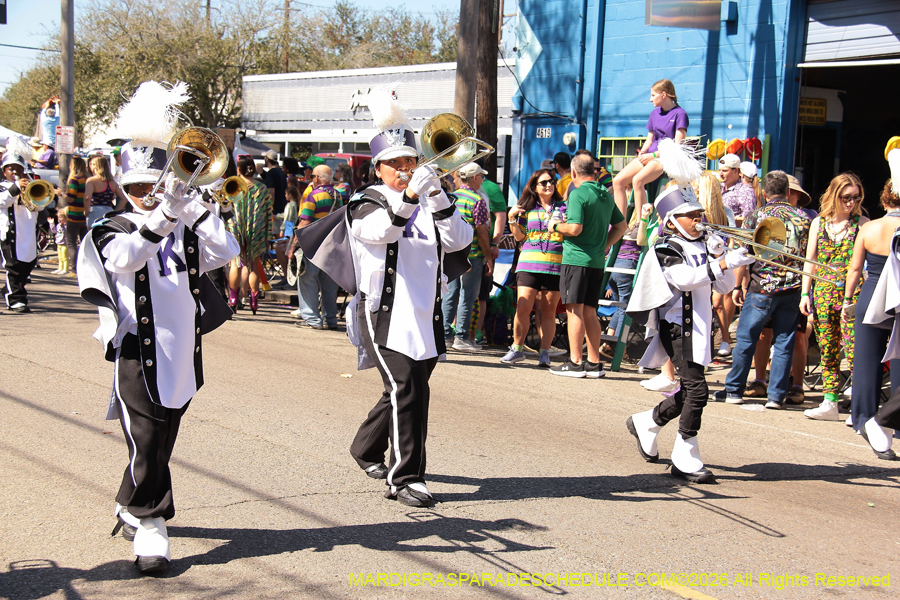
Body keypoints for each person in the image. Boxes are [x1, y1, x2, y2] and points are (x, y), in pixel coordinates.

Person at [75, 80, 239, 574]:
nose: (148, 194)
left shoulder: (181, 218)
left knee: (162, 439)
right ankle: (151, 523)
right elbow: (126, 259)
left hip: (182, 352)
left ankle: (130, 499)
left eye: (155, 184)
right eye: (138, 188)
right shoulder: (110, 230)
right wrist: (165, 214)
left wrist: (192, 207)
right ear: (125, 190)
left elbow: (226, 252)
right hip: (135, 353)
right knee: (145, 439)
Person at [347, 91, 473, 507]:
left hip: (426, 312)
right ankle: (405, 479)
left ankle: (365, 448)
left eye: (410, 162)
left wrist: (437, 198)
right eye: (396, 164)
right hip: (385, 311)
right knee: (407, 390)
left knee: (405, 390)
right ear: (378, 168)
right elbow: (381, 231)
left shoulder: (431, 198)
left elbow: (460, 240)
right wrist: (412, 197)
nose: (405, 170)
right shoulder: (363, 201)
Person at [626, 182, 752, 483]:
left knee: (690, 390)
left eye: (699, 213)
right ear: (671, 220)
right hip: (677, 326)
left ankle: (648, 422)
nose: (699, 220)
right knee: (697, 390)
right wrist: (722, 262)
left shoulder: (703, 244)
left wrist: (725, 258)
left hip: (700, 325)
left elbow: (720, 287)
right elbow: (684, 279)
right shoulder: (665, 247)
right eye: (690, 215)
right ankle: (685, 456)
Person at [714, 171, 811, 408]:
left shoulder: (756, 216)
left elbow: (744, 256)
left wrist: (737, 285)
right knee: (784, 342)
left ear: (764, 193)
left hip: (761, 288)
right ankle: (776, 396)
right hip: (792, 289)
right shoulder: (803, 218)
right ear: (788, 192)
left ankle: (734, 389)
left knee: (747, 339)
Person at [548, 154, 626, 377]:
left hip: (577, 259)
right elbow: (621, 226)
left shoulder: (577, 193)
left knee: (574, 311)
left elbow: (574, 229)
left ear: (573, 173)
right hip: (595, 262)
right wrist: (604, 246)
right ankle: (593, 363)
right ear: (593, 171)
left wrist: (555, 226)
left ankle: (575, 362)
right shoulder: (604, 193)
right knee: (590, 311)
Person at [800, 173, 868, 421]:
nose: (851, 202)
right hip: (823, 294)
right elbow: (811, 261)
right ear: (834, 195)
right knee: (827, 349)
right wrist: (805, 292)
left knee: (854, 350)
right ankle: (830, 402)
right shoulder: (819, 223)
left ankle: (860, 403)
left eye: (856, 197)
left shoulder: (862, 223)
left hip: (853, 294)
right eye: (846, 197)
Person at [844, 179, 900, 434]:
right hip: (897, 296)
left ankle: (863, 419)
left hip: (872, 292)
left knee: (866, 360)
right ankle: (896, 424)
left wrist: (847, 300)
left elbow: (855, 269)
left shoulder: (869, 227)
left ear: (884, 201)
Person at [501, 168, 565, 366]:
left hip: (555, 265)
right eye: (543, 182)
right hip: (528, 264)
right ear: (535, 187)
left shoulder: (564, 208)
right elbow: (519, 237)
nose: (548, 185)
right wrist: (511, 218)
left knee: (548, 312)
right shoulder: (526, 208)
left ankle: (544, 353)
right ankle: (517, 349)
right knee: (523, 307)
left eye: (551, 181)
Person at [612, 79, 688, 216]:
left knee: (637, 180)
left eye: (653, 95)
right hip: (649, 156)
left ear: (663, 94)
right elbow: (649, 139)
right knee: (617, 181)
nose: (650, 99)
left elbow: (678, 146)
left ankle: (642, 222)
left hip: (665, 158)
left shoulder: (680, 114)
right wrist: (642, 152)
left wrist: (653, 155)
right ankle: (621, 224)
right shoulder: (654, 114)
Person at [442, 162, 493, 350]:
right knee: (467, 296)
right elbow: (481, 232)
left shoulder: (450, 198)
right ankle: (462, 337)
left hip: (451, 254)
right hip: (472, 255)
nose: (482, 180)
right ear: (474, 178)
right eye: (481, 176)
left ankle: (445, 334)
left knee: (449, 294)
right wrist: (488, 257)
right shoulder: (476, 200)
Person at [291, 164, 341, 329]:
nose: (311, 178)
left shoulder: (313, 196)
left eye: (312, 175)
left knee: (307, 280)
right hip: (332, 246)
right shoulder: (338, 196)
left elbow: (305, 222)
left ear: (318, 178)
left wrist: (293, 247)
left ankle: (312, 319)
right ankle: (331, 319)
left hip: (313, 245)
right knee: (329, 285)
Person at [696, 172, 737, 357]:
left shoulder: (724, 211)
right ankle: (710, 341)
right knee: (708, 302)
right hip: (702, 260)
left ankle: (725, 340)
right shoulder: (696, 210)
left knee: (717, 301)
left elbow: (733, 237)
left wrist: (727, 256)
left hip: (719, 259)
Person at [227, 155, 272, 314]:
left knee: (235, 263)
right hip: (256, 227)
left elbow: (225, 208)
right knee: (253, 264)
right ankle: (253, 300)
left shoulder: (233, 186)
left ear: (239, 169)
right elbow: (268, 212)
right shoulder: (262, 188)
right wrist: (268, 233)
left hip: (236, 226)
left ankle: (233, 299)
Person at [0, 153, 39, 312]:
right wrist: (16, 187)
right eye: (11, 169)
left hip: (28, 232)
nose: (15, 172)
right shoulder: (2, 186)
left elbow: (40, 206)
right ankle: (16, 299)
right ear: (4, 172)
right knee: (13, 267)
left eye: (18, 169)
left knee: (27, 265)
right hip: (10, 233)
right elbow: (3, 200)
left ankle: (8, 290)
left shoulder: (30, 184)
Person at [84, 156, 129, 227]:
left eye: (92, 164)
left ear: (96, 166)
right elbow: (124, 198)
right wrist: (115, 212)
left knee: (92, 235)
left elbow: (87, 197)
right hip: (108, 210)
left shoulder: (91, 181)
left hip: (95, 209)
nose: (90, 166)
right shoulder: (112, 183)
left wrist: (86, 211)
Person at [64, 156, 88, 274]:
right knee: (84, 244)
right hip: (85, 215)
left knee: (72, 243)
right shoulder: (87, 179)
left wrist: (61, 194)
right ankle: (84, 267)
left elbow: (71, 199)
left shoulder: (75, 179)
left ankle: (73, 269)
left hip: (74, 215)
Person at [719, 154, 757, 226]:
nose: (720, 174)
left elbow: (749, 220)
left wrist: (730, 219)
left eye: (724, 171)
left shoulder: (745, 191)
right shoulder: (718, 188)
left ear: (736, 170)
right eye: (719, 170)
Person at [263, 150, 288, 215]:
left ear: (267, 159)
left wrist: (270, 209)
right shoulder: (281, 172)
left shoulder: (270, 173)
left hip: (275, 210)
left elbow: (271, 192)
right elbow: (258, 167)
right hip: (282, 207)